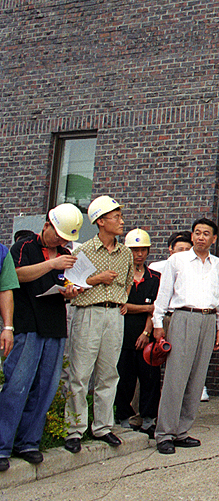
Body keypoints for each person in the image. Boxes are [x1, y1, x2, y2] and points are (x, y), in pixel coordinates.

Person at [0, 204, 83, 470]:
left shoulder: (67, 254)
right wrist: (51, 264)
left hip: (54, 325)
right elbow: (15, 276)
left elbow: (68, 282)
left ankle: (28, 442)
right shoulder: (24, 247)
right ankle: (2, 445)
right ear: (47, 225)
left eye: (65, 239)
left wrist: (70, 291)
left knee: (46, 387)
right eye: (58, 235)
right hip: (27, 324)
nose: (60, 242)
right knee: (18, 384)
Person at [151, 218, 219, 455]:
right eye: (197, 233)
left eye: (206, 233)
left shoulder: (218, 264)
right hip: (183, 317)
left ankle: (182, 431)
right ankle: (165, 433)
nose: (201, 237)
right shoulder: (177, 260)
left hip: (208, 319)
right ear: (192, 236)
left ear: (214, 239)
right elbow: (164, 293)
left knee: (197, 378)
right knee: (176, 377)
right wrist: (157, 322)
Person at [64, 195, 133, 453]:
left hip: (114, 315)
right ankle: (74, 429)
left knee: (109, 373)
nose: (121, 221)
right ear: (100, 221)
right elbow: (71, 286)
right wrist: (97, 279)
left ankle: (103, 426)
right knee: (80, 373)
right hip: (88, 313)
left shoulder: (126, 253)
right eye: (116, 217)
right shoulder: (82, 251)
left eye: (120, 216)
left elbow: (128, 283)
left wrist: (120, 300)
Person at [113, 228, 163, 438]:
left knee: (150, 377)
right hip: (122, 333)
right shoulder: (120, 277)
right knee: (124, 377)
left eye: (142, 249)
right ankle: (123, 415)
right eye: (134, 250)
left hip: (146, 335)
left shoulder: (155, 278)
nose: (139, 254)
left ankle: (149, 417)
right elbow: (120, 305)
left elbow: (157, 308)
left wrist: (146, 332)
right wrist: (145, 307)